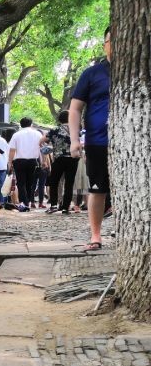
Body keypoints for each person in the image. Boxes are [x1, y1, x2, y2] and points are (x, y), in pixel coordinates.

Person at [69, 27, 111, 251]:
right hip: (98, 142)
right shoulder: (92, 73)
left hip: (137, 143)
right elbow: (75, 108)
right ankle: (96, 236)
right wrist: (74, 139)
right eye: (111, 40)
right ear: (104, 45)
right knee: (97, 189)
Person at [8, 117, 45, 211]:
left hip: (19, 161)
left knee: (21, 183)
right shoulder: (37, 134)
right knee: (30, 183)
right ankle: (27, 201)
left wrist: (9, 162)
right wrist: (43, 161)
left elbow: (12, 150)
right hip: (33, 161)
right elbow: (42, 148)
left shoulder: (16, 134)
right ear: (31, 124)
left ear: (21, 125)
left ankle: (24, 203)